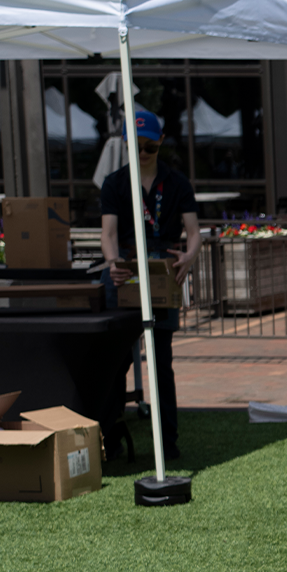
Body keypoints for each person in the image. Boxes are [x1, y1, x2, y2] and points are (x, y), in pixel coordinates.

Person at [99, 108, 200, 461]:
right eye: (135, 147)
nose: (142, 154)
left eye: (149, 147)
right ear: (126, 145)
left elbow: (195, 233)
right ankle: (108, 441)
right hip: (125, 267)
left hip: (163, 267)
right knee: (115, 364)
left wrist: (189, 256)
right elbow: (108, 234)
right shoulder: (114, 183)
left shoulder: (177, 183)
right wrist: (113, 265)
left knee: (161, 360)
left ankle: (168, 442)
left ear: (160, 141)